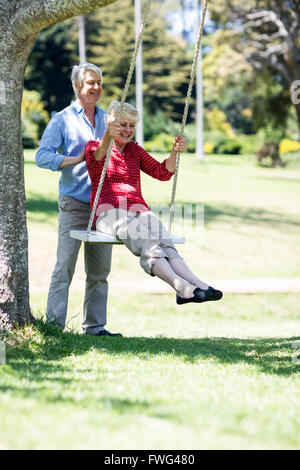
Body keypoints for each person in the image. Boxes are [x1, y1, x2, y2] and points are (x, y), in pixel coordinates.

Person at [85, 100, 223, 305]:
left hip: (138, 210)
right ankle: (181, 287)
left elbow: (162, 172)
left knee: (163, 240)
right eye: (123, 124)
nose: (127, 130)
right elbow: (97, 160)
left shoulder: (134, 150)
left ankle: (196, 284)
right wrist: (108, 135)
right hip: (109, 212)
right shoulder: (95, 146)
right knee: (148, 241)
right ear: (111, 124)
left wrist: (174, 152)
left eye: (131, 126)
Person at [35, 63, 121, 337]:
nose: (96, 87)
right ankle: (54, 327)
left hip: (104, 207)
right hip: (74, 202)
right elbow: (42, 156)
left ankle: (95, 327)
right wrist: (75, 160)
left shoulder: (109, 119)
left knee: (99, 272)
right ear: (77, 87)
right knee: (64, 267)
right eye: (90, 83)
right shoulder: (62, 120)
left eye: (99, 82)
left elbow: (126, 150)